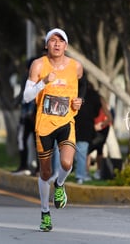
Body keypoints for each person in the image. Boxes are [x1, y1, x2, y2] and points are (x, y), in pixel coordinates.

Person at [23, 28, 86, 232]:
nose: (57, 44)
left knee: (67, 163)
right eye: (53, 41)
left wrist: (80, 100)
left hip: (66, 122)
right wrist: (44, 82)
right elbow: (26, 97)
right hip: (44, 125)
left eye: (61, 41)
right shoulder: (39, 65)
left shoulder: (76, 66)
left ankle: (59, 185)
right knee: (45, 172)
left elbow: (83, 84)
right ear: (46, 45)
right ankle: (44, 212)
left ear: (66, 46)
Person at [74, 81, 101, 184]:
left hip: (72, 124)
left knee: (63, 150)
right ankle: (80, 175)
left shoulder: (72, 91)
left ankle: (58, 174)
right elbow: (97, 111)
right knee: (82, 151)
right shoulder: (94, 95)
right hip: (86, 126)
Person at [87, 95, 113, 180]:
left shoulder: (100, 99)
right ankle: (87, 172)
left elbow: (109, 118)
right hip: (93, 127)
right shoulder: (86, 100)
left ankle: (98, 171)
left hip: (103, 128)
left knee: (96, 148)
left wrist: (101, 125)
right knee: (92, 149)